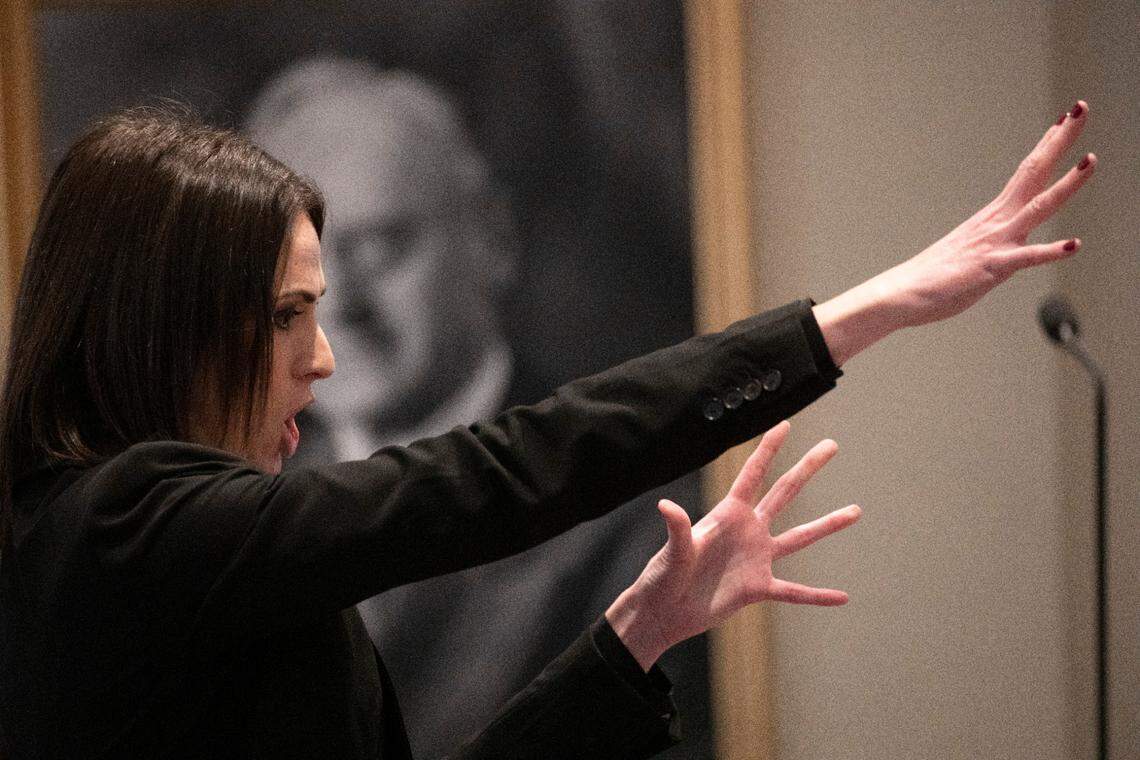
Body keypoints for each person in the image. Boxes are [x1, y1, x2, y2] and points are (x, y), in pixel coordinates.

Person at [0, 100, 1095, 759]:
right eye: (289, 315)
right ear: (174, 325)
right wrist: (853, 319)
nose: (324, 359)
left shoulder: (184, 549)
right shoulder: (115, 525)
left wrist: (637, 638)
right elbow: (499, 470)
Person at [243, 56, 714, 757]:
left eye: (380, 245)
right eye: (299, 267)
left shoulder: (633, 515)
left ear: (493, 238)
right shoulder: (236, 511)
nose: (342, 303)